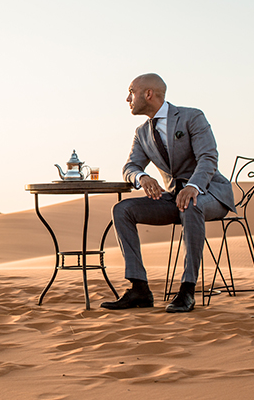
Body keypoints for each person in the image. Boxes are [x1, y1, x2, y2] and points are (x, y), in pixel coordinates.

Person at [101, 73, 236, 313]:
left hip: (210, 195)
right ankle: (139, 287)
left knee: (191, 204)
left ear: (148, 94)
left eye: (131, 92)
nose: (127, 99)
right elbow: (130, 166)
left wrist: (194, 187)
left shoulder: (191, 117)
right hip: (174, 199)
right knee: (122, 209)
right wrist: (141, 177)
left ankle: (187, 290)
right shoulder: (142, 132)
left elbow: (208, 157)